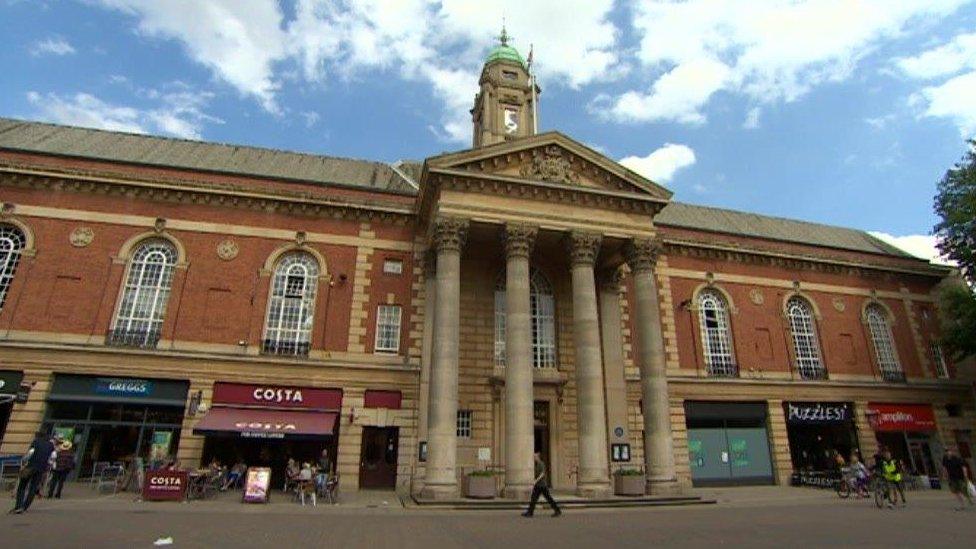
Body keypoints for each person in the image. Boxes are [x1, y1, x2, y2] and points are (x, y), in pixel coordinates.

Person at [11, 431, 56, 514]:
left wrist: (24, 461)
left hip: (31, 466)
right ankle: (25, 507)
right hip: (41, 468)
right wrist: (47, 465)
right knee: (33, 487)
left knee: (22, 486)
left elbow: (30, 453)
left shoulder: (36, 442)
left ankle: (18, 506)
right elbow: (53, 457)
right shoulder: (51, 445)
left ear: (38, 436)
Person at [522, 452, 561, 518]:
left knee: (548, 498)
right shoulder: (537, 464)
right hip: (538, 485)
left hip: (542, 485)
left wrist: (536, 481)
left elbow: (542, 474)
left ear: (537, 457)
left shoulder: (541, 464)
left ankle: (557, 510)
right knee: (533, 499)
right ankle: (530, 512)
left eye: (534, 457)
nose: (533, 458)